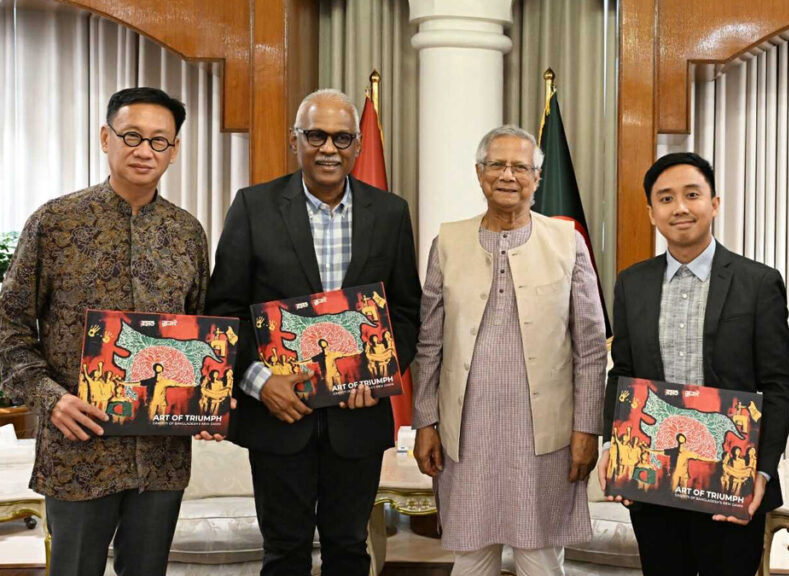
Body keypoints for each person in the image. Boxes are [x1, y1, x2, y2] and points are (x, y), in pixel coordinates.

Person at [205, 88, 421, 576]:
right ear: (295, 140)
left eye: (342, 138)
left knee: (349, 549)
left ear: (358, 145)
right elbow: (224, 312)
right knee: (284, 552)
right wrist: (261, 381)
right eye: (316, 135)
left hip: (358, 419)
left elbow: (407, 312)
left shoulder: (390, 213)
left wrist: (379, 372)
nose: (329, 148)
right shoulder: (253, 207)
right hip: (277, 418)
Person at [0, 87, 213, 576]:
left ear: (174, 150)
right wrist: (50, 398)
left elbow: (198, 332)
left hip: (160, 456)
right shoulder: (55, 222)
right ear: (105, 138)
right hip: (77, 447)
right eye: (132, 136)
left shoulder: (187, 234)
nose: (144, 150)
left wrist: (204, 400)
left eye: (159, 141)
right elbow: (8, 325)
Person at [412, 125, 606, 575]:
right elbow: (429, 343)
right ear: (479, 173)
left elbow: (591, 348)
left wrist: (587, 428)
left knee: (540, 557)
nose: (507, 175)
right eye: (497, 164)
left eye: (520, 166)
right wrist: (425, 422)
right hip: (467, 432)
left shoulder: (567, 242)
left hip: (546, 437)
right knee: (470, 556)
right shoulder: (448, 243)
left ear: (537, 178)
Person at [598, 152, 789, 575]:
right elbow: (623, 373)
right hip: (654, 476)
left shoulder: (758, 282)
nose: (680, 208)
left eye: (692, 195)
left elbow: (779, 383)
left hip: (730, 477)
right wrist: (614, 447)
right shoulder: (632, 283)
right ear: (651, 212)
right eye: (666, 198)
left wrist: (761, 471)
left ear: (714, 203)